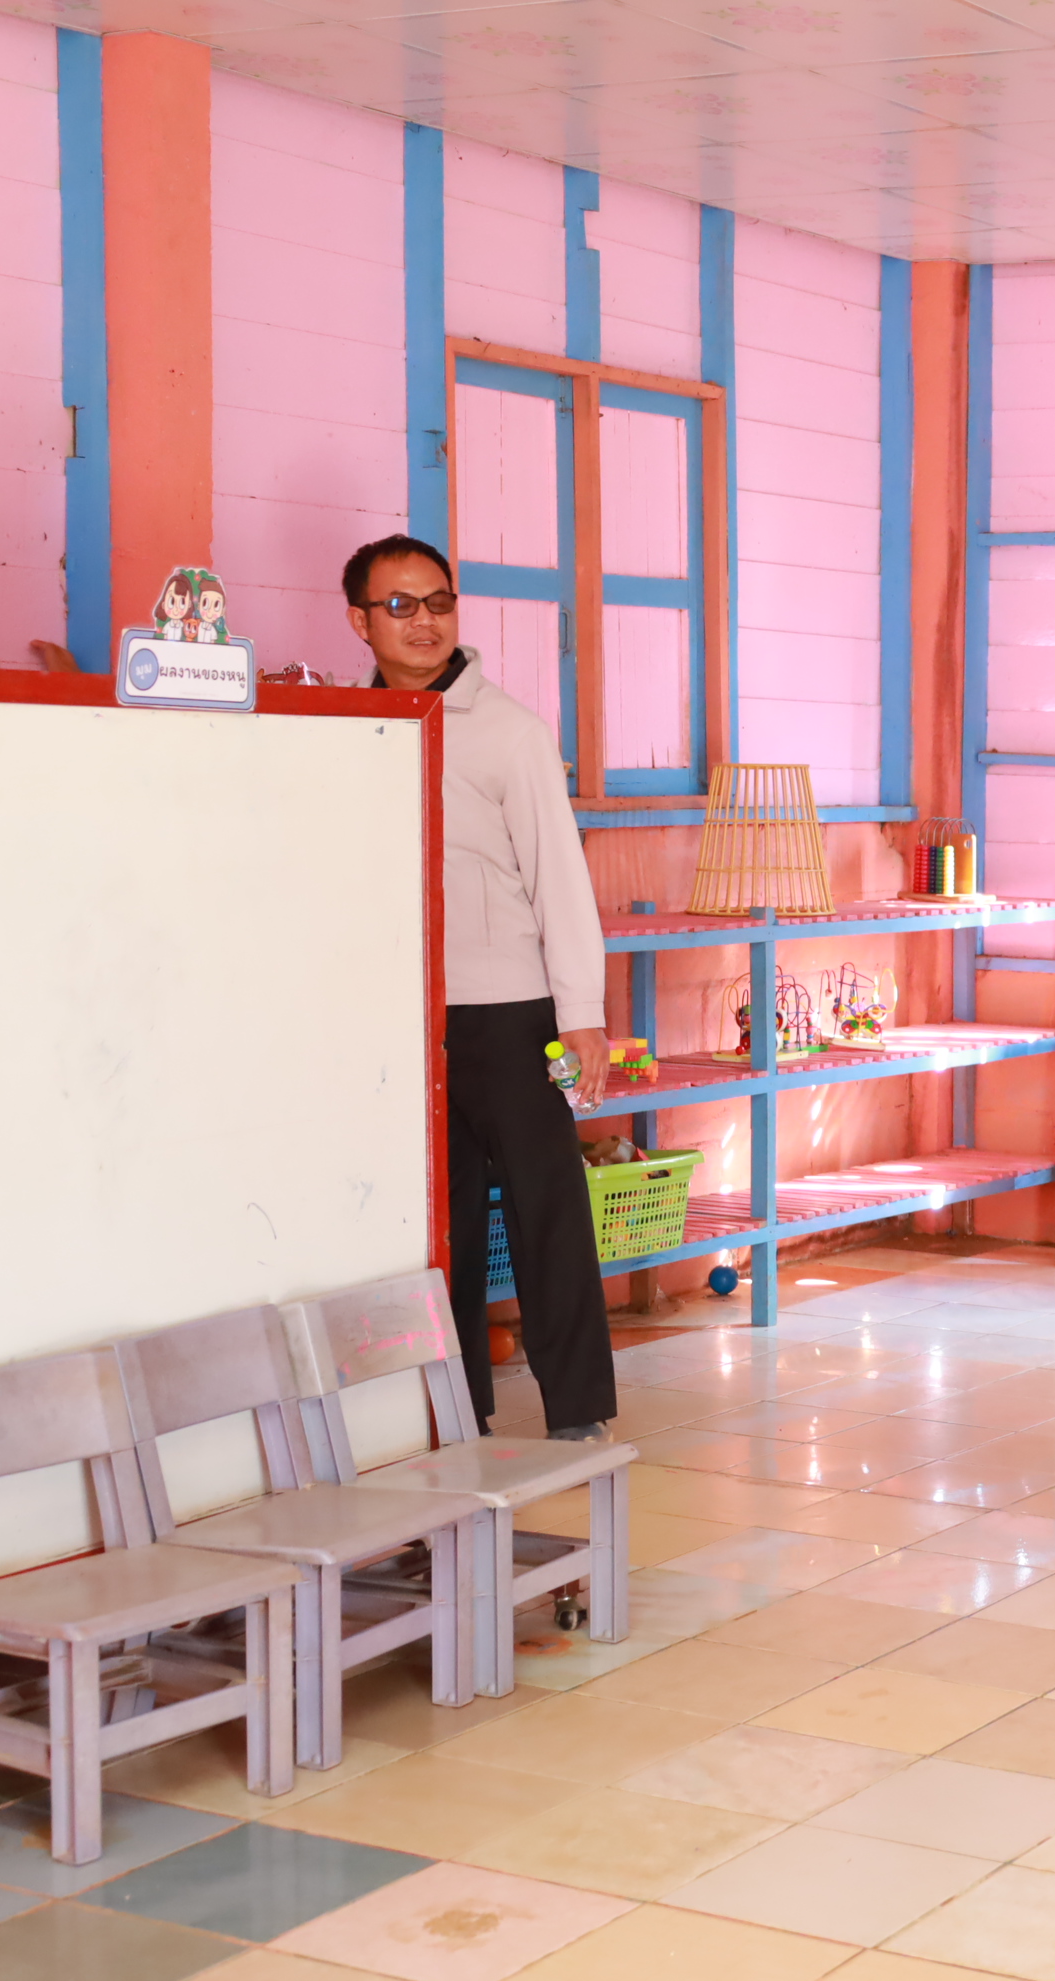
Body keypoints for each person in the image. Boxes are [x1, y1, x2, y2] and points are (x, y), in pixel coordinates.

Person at [345, 535, 620, 1442]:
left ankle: (577, 1409)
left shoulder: (511, 732)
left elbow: (559, 881)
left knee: (548, 1208)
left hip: (512, 1015)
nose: (423, 622)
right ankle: (458, 1411)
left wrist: (581, 1016)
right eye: (400, 606)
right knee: (443, 1224)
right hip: (407, 1018)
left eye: (438, 602)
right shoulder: (354, 724)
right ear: (360, 622)